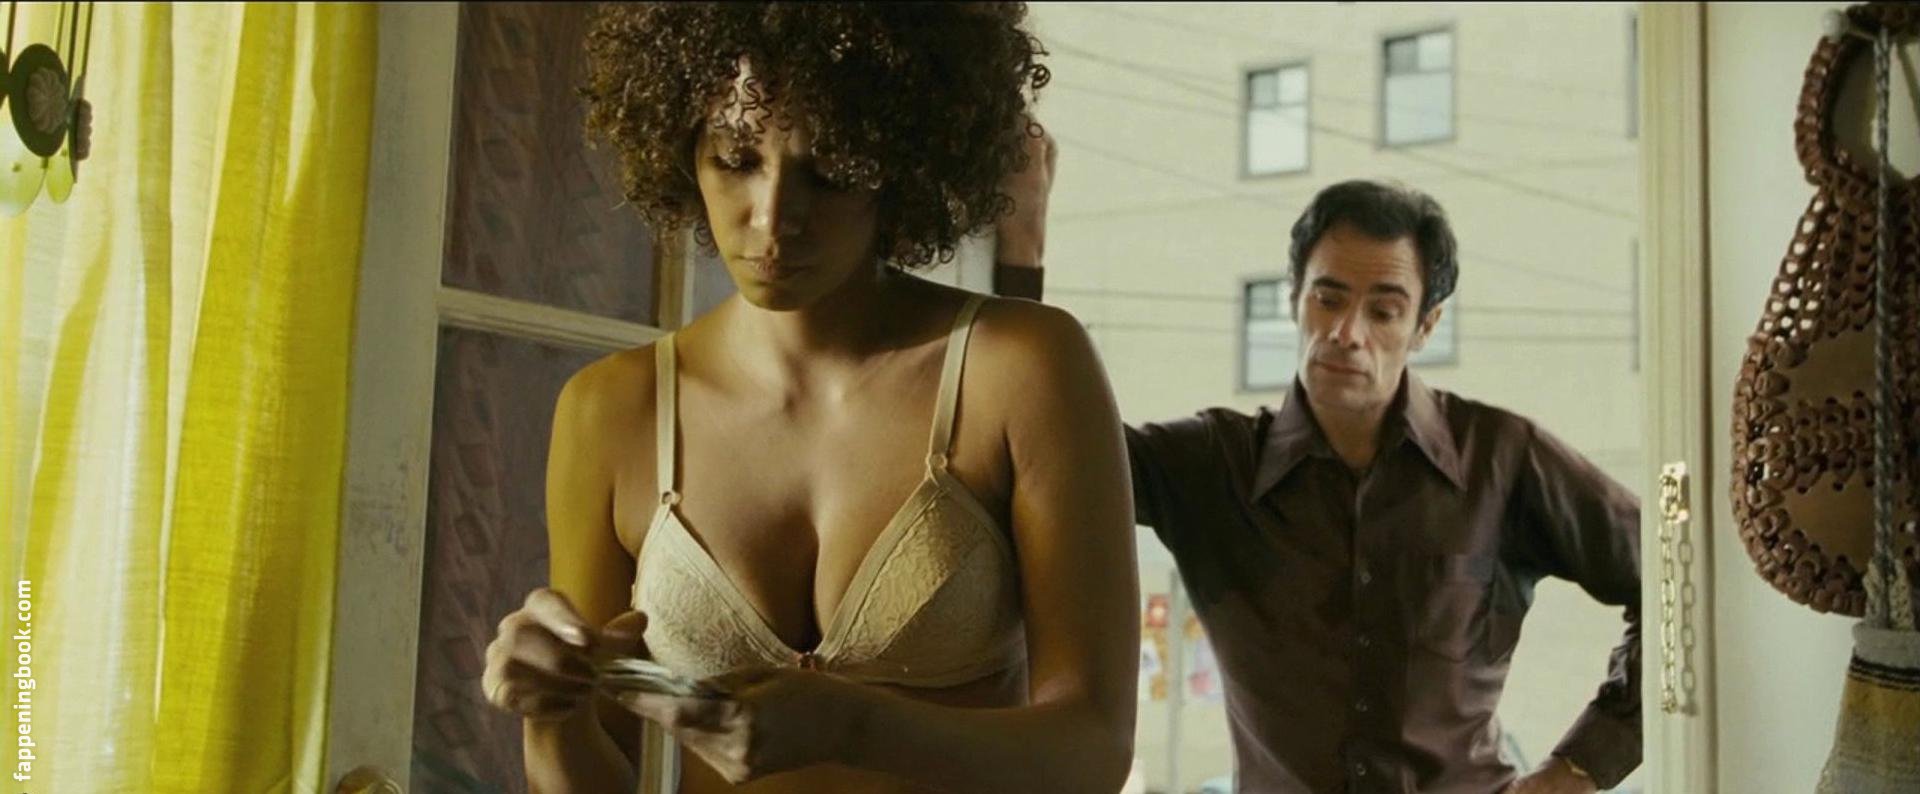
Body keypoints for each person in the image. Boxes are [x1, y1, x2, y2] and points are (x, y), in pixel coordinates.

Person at [479, 4, 1139, 793]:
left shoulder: (1020, 368)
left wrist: (854, 727)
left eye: (830, 171)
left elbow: (1094, 750)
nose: (773, 218)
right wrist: (551, 714)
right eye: (735, 159)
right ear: (681, 149)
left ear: (900, 164)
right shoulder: (612, 411)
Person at [1001, 174, 1641, 794]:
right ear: (1294, 299)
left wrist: (1578, 769)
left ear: (1425, 325)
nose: (1346, 333)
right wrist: (1019, 252)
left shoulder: (1501, 458)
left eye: (1384, 311)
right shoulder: (1212, 465)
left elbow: (1673, 580)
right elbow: (1042, 446)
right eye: (1328, 299)